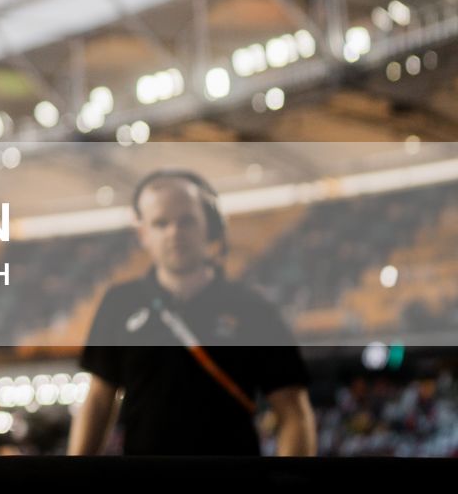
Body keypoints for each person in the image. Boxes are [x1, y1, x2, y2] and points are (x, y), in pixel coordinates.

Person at [68, 169, 316, 457]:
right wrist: (71, 482)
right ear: (143, 233)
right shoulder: (119, 303)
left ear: (209, 226)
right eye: (161, 223)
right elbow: (99, 400)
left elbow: (293, 411)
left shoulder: (253, 308)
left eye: (186, 221)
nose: (174, 233)